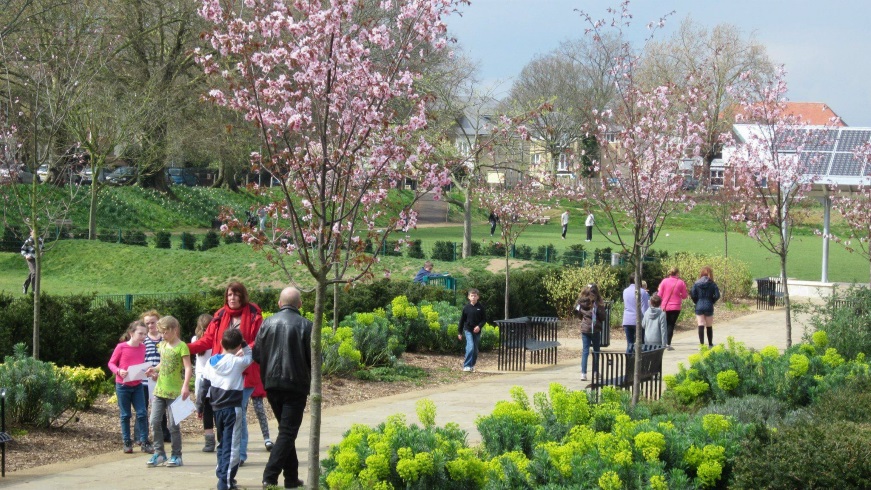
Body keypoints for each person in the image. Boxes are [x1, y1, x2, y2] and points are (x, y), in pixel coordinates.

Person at [188, 282, 264, 466]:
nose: (233, 298)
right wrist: (185, 348)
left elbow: (260, 340)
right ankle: (229, 451)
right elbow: (207, 340)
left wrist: (247, 348)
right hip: (222, 374)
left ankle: (239, 455)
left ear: (243, 296)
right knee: (226, 415)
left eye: (237, 294)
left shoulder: (254, 314)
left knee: (240, 414)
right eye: (230, 294)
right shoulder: (220, 315)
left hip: (244, 372)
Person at [253, 287, 312, 490]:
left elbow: (257, 355)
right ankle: (270, 476)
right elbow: (314, 359)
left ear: (279, 303)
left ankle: (291, 477)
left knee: (286, 432)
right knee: (288, 433)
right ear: (300, 305)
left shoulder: (267, 323)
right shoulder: (306, 325)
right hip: (295, 385)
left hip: (271, 384)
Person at [199, 328, 253, 490]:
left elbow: (203, 386)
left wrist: (200, 406)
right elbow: (250, 355)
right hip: (233, 409)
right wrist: (243, 342)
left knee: (223, 443)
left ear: (221, 343)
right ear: (237, 347)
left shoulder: (211, 362)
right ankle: (225, 481)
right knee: (233, 445)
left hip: (216, 409)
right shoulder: (238, 363)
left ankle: (221, 471)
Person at [145, 316, 192, 468]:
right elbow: (162, 362)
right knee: (154, 421)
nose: (163, 335)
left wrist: (185, 386)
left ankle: (176, 455)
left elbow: (188, 367)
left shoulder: (182, 346)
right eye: (161, 333)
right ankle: (159, 453)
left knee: (173, 425)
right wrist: (154, 368)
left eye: (165, 332)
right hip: (160, 390)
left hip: (174, 392)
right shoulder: (163, 345)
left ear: (174, 330)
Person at [107, 321, 153, 454]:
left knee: (142, 413)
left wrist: (146, 371)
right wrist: (118, 371)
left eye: (145, 334)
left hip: (137, 384)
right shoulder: (121, 347)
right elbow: (111, 363)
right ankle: (127, 441)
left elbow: (140, 364)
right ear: (131, 333)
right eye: (140, 333)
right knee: (125, 415)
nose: (143, 336)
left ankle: (144, 441)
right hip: (123, 385)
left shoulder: (143, 347)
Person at [141, 310, 169, 445]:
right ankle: (142, 435)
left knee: (161, 407)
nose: (150, 325)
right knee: (143, 407)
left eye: (153, 322)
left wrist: (159, 373)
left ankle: (164, 432)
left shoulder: (165, 339)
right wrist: (149, 372)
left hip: (161, 378)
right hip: (145, 379)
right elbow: (140, 359)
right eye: (147, 323)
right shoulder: (143, 339)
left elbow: (168, 358)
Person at [192, 313, 217, 452]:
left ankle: (209, 441)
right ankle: (222, 439)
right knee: (217, 409)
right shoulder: (215, 339)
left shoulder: (195, 339)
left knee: (206, 410)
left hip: (201, 378)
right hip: (215, 377)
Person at [574, 284, 603, 381]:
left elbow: (577, 313)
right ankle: (595, 372)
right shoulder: (598, 303)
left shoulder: (581, 302)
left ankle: (583, 373)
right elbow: (603, 316)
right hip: (595, 329)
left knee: (585, 351)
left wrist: (583, 318)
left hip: (585, 329)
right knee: (596, 351)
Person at [657, 267, 688, 350]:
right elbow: (685, 296)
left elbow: (659, 295)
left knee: (664, 325)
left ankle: (661, 342)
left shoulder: (664, 281)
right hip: (676, 306)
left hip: (665, 306)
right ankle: (668, 344)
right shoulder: (681, 282)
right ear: (677, 273)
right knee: (671, 325)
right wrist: (680, 295)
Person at [691, 266, 721, 348]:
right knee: (709, 325)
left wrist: (696, 301)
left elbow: (693, 294)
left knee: (700, 324)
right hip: (708, 305)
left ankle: (701, 344)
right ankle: (710, 344)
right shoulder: (712, 284)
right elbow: (717, 295)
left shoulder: (696, 284)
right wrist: (712, 301)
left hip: (699, 305)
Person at [457, 288, 486, 372]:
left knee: (475, 350)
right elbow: (462, 320)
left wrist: (479, 326)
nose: (473, 297)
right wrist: (459, 332)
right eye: (471, 296)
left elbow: (484, 319)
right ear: (468, 297)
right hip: (468, 330)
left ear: (478, 297)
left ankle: (472, 365)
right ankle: (466, 365)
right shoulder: (466, 308)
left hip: (477, 331)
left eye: (475, 296)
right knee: (470, 347)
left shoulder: (481, 307)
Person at [622, 273, 650, 354]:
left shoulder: (625, 291)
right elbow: (644, 309)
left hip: (627, 320)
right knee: (641, 344)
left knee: (629, 344)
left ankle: (629, 364)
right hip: (638, 320)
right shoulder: (642, 292)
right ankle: (640, 364)